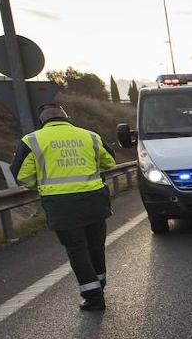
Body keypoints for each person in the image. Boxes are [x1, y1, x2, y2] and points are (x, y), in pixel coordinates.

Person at [10, 103, 117, 311]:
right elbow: (110, 161)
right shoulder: (90, 136)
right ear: (67, 117)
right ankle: (100, 285)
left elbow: (22, 176)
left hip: (62, 205)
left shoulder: (32, 140)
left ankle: (93, 298)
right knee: (96, 245)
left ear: (42, 122)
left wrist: (41, 182)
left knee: (77, 249)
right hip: (94, 200)